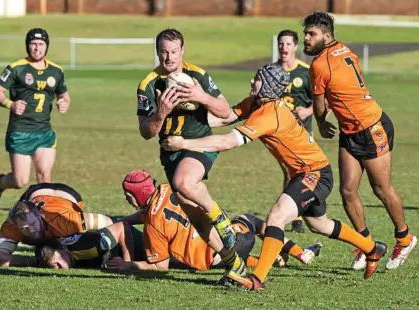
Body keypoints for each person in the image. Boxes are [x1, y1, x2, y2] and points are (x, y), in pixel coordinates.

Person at [162, 63, 387, 290]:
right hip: (307, 172)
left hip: (314, 174)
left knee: (276, 217)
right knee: (319, 225)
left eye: (256, 79)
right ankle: (372, 248)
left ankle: (256, 279)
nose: (251, 82)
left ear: (267, 86)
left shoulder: (269, 114)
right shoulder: (257, 103)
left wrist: (184, 143)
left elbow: (228, 141)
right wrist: (183, 118)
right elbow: (225, 117)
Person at [302, 11, 416, 271]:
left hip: (372, 128)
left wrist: (321, 123)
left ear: (327, 36)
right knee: (347, 191)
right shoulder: (344, 49)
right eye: (305, 34)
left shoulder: (319, 65)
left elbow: (319, 104)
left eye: (311, 34)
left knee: (381, 189)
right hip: (351, 130)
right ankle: (366, 245)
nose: (306, 39)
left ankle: (405, 238)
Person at [136, 28, 245, 282]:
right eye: (164, 52)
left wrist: (200, 96)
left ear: (182, 51)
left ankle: (222, 220)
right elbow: (145, 132)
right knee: (196, 216)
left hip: (200, 144)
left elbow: (223, 110)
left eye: (174, 52)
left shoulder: (197, 75)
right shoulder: (148, 85)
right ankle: (234, 263)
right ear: (157, 52)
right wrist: (161, 114)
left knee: (183, 182)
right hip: (171, 151)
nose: (169, 57)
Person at [102, 170, 321, 273]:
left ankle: (295, 255)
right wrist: (123, 220)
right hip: (230, 245)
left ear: (138, 195)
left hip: (215, 257)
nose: (126, 199)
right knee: (251, 221)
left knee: (248, 221)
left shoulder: (153, 223)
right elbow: (150, 213)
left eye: (128, 195)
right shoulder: (170, 187)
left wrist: (128, 265)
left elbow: (160, 266)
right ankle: (296, 254)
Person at [0, 28, 70, 207]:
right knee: (20, 181)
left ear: (47, 46)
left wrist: (64, 102)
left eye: (41, 44)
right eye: (33, 44)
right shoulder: (16, 68)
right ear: (27, 45)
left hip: (44, 132)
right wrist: (11, 104)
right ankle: (0, 183)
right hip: (20, 132)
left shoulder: (56, 71)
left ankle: (43, 212)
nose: (37, 48)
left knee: (44, 175)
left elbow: (64, 95)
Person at [0, 183, 120, 267]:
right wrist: (34, 262)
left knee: (71, 243)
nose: (31, 231)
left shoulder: (66, 220)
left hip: (66, 194)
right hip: (33, 195)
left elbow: (109, 222)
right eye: (25, 229)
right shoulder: (14, 223)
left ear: (39, 214)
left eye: (33, 224)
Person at [277, 29, 314, 234]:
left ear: (295, 46)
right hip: (280, 133)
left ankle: (298, 213)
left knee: (301, 172)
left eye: (288, 44)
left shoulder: (305, 72)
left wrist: (307, 111)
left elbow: (321, 100)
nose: (284, 48)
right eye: (281, 44)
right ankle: (296, 215)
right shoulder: (271, 71)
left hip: (303, 133)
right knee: (290, 171)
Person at [34, 224, 140, 269]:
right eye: (54, 266)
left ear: (61, 248)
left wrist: (127, 263)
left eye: (59, 259)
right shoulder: (63, 251)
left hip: (138, 243)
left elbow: (122, 227)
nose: (61, 266)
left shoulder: (88, 244)